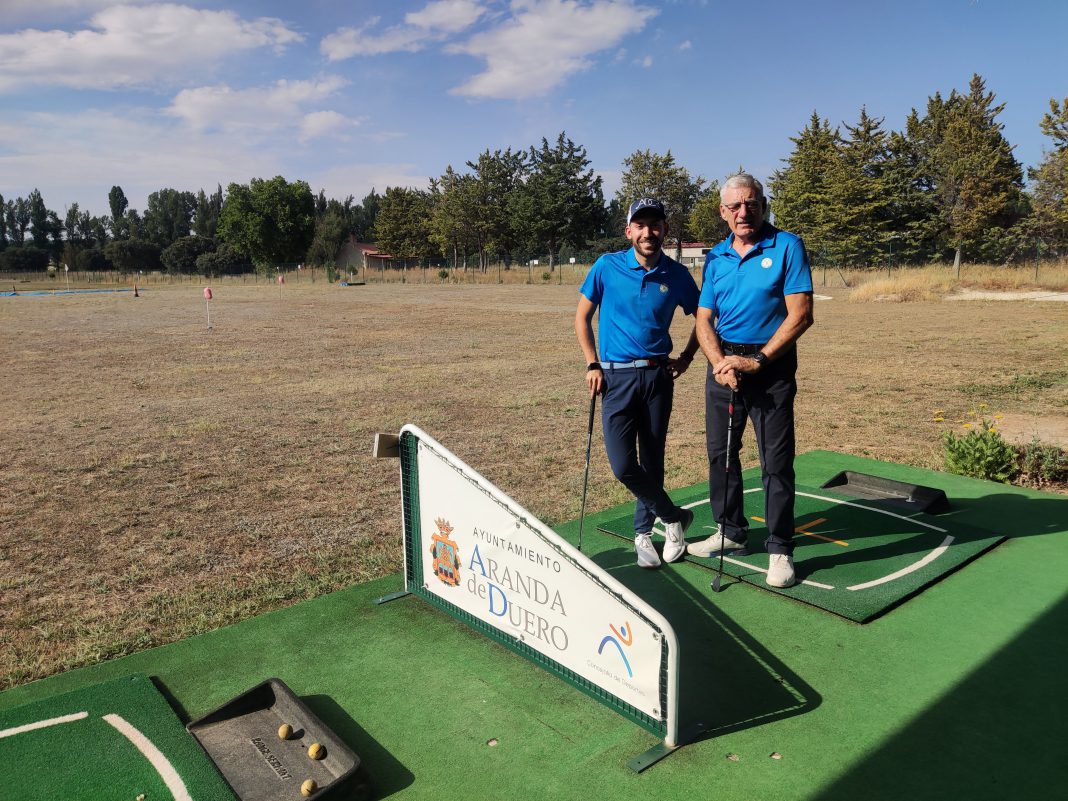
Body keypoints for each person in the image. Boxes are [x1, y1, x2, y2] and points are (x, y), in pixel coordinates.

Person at [686, 174, 814, 588]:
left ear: (763, 205)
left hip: (769, 364)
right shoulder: (717, 257)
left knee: (775, 462)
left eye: (752, 204)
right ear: (723, 212)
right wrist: (721, 361)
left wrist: (756, 360)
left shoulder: (787, 246)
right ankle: (731, 531)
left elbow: (801, 314)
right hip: (723, 362)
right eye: (735, 206)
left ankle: (779, 548)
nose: (744, 212)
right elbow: (704, 318)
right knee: (720, 453)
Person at [576, 198, 701, 569]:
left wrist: (688, 356)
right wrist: (591, 363)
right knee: (622, 465)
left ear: (664, 229)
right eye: (640, 226)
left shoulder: (677, 275)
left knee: (652, 457)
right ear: (628, 231)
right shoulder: (607, 266)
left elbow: (704, 317)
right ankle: (673, 515)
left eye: (655, 225)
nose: (649, 232)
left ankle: (644, 532)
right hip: (614, 376)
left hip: (659, 376)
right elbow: (582, 318)